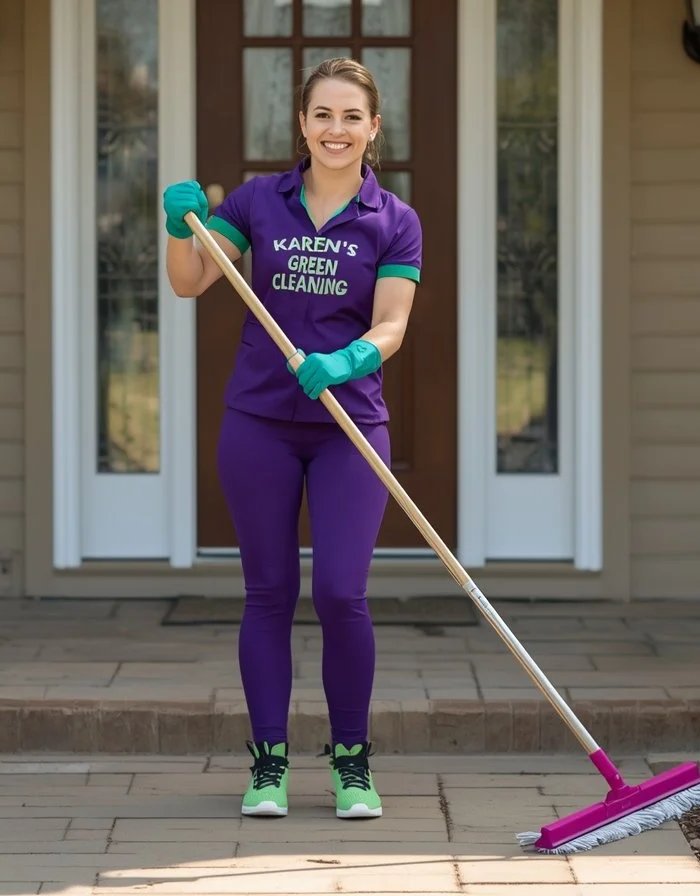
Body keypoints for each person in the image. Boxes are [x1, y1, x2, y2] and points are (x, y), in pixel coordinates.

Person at [159, 56, 422, 821]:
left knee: (341, 592)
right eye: (322, 115)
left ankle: (352, 764)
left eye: (351, 117)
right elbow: (189, 280)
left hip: (349, 426)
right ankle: (268, 764)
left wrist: (348, 360)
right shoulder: (256, 202)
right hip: (260, 424)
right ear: (302, 125)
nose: (336, 129)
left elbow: (393, 323)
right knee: (269, 592)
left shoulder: (394, 219)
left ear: (373, 128)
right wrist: (178, 230)